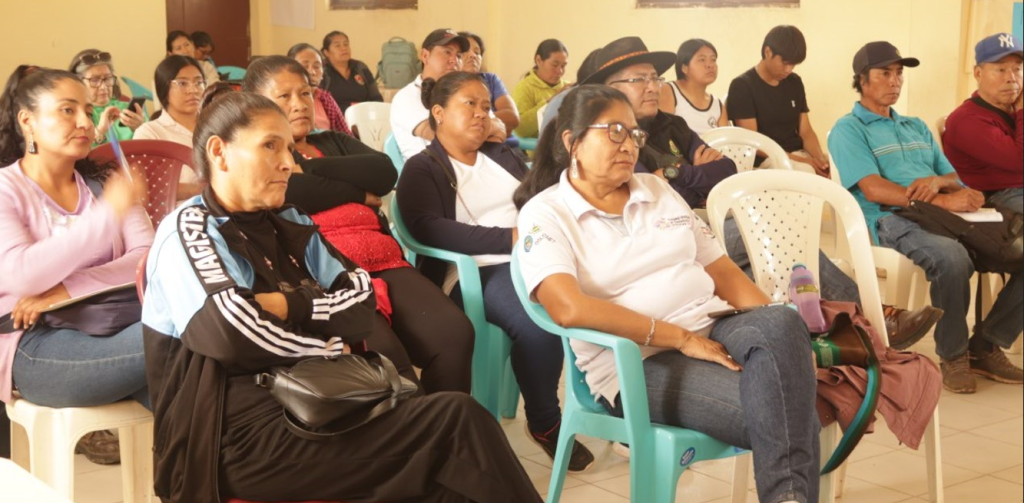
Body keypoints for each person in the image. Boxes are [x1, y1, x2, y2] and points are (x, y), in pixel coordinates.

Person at [141, 91, 542, 503]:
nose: (288, 162)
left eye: (288, 147)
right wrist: (329, 345)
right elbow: (231, 333)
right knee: (455, 423)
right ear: (219, 152)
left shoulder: (287, 220)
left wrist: (292, 305)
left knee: (450, 477)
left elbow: (361, 299)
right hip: (229, 438)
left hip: (318, 403)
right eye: (270, 146)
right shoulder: (190, 230)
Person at [514, 84, 820, 503]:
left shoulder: (657, 190)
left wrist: (785, 341)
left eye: (634, 134)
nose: (629, 145)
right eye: (614, 132)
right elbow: (567, 308)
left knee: (783, 322)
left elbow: (723, 272)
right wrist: (681, 338)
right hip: (637, 363)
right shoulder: (545, 213)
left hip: (716, 326)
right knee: (787, 410)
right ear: (572, 141)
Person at [584, 36, 941, 348]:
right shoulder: (608, 138)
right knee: (767, 234)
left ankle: (842, 332)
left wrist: (674, 173)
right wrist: (693, 175)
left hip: (703, 230)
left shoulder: (671, 125)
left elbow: (725, 169)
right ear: (608, 89)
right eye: (639, 79)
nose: (652, 87)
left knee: (771, 255)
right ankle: (874, 317)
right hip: (662, 240)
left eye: (654, 78)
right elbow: (644, 189)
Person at [397, 71, 595, 472]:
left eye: (486, 106)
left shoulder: (500, 154)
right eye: (469, 104)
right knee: (539, 321)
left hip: (535, 255)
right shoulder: (423, 167)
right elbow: (427, 228)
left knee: (607, 296)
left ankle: (611, 403)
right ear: (438, 112)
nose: (481, 113)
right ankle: (545, 422)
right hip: (476, 270)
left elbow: (539, 195)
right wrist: (512, 238)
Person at [243, 56, 474, 394]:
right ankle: (417, 425)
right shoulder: (256, 156)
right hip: (325, 276)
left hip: (384, 261)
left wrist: (309, 169)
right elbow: (290, 193)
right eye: (284, 96)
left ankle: (447, 423)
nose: (300, 104)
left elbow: (383, 171)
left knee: (454, 334)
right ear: (257, 104)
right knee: (387, 361)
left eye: (305, 93)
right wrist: (355, 192)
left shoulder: (331, 141)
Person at [829, 41, 1024, 394]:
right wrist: (944, 201)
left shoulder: (915, 126)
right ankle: (954, 355)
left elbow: (951, 175)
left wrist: (942, 185)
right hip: (890, 217)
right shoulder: (849, 128)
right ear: (862, 80)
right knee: (952, 258)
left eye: (899, 73)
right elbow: (874, 190)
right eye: (885, 73)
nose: (895, 81)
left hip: (940, 215)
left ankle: (987, 345)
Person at [0, 66, 152, 463]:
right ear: (28, 121)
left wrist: (68, 288)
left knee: (189, 384)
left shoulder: (103, 183)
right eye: (67, 110)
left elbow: (146, 258)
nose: (85, 121)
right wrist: (108, 216)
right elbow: (22, 274)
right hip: (35, 343)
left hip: (115, 324)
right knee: (181, 335)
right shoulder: (5, 189)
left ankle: (211, 475)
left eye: (86, 110)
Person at [727, 26, 830, 176]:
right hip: (767, 160)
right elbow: (754, 142)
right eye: (785, 63)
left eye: (793, 64)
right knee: (805, 171)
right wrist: (804, 161)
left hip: (798, 155)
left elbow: (806, 132)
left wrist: (820, 160)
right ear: (768, 52)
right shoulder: (742, 86)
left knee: (835, 168)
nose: (789, 69)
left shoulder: (794, 82)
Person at [391, 29, 507, 161]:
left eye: (459, 55)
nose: (454, 60)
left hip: (476, 166)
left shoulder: (467, 92)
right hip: (433, 170)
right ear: (425, 56)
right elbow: (441, 137)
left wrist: (481, 133)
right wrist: (487, 129)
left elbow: (500, 131)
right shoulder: (407, 96)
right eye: (447, 52)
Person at [943, 32, 1023, 214]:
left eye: (1017, 69)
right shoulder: (967, 119)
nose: (1011, 78)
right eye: (1001, 70)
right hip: (997, 196)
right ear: (978, 74)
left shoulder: (1014, 108)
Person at [133, 55, 204, 199]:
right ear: (164, 89)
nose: (193, 90)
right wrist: (199, 190)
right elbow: (145, 186)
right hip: (177, 210)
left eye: (198, 82)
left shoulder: (215, 125)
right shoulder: (150, 133)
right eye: (182, 83)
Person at [68, 49, 146, 145]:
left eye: (108, 78)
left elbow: (152, 148)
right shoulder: (73, 115)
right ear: (79, 83)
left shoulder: (131, 111)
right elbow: (76, 151)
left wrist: (141, 129)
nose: (103, 87)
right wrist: (100, 131)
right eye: (94, 80)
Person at [659, 39, 729, 134]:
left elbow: (726, 140)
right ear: (684, 67)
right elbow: (664, 135)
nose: (710, 65)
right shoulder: (668, 90)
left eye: (713, 60)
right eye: (702, 60)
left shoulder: (718, 105)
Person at [287, 42, 354, 135]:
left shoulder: (325, 98)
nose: (312, 72)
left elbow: (345, 134)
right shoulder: (283, 100)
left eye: (317, 66)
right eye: (305, 66)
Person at [458, 31, 520, 132]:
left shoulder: (490, 80)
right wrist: (493, 121)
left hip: (503, 140)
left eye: (477, 53)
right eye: (465, 51)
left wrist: (475, 121)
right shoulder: (448, 85)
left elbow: (512, 117)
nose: (472, 55)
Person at [511, 39, 569, 139]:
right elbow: (520, 129)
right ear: (538, 60)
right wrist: (551, 102)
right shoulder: (525, 88)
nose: (560, 71)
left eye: (563, 66)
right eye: (554, 65)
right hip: (539, 147)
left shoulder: (567, 87)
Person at [320, 31, 382, 113]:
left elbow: (376, 98)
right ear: (326, 52)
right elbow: (319, 105)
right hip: (334, 118)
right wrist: (351, 109)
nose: (344, 48)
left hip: (363, 115)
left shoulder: (360, 67)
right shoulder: (321, 71)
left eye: (346, 44)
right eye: (337, 45)